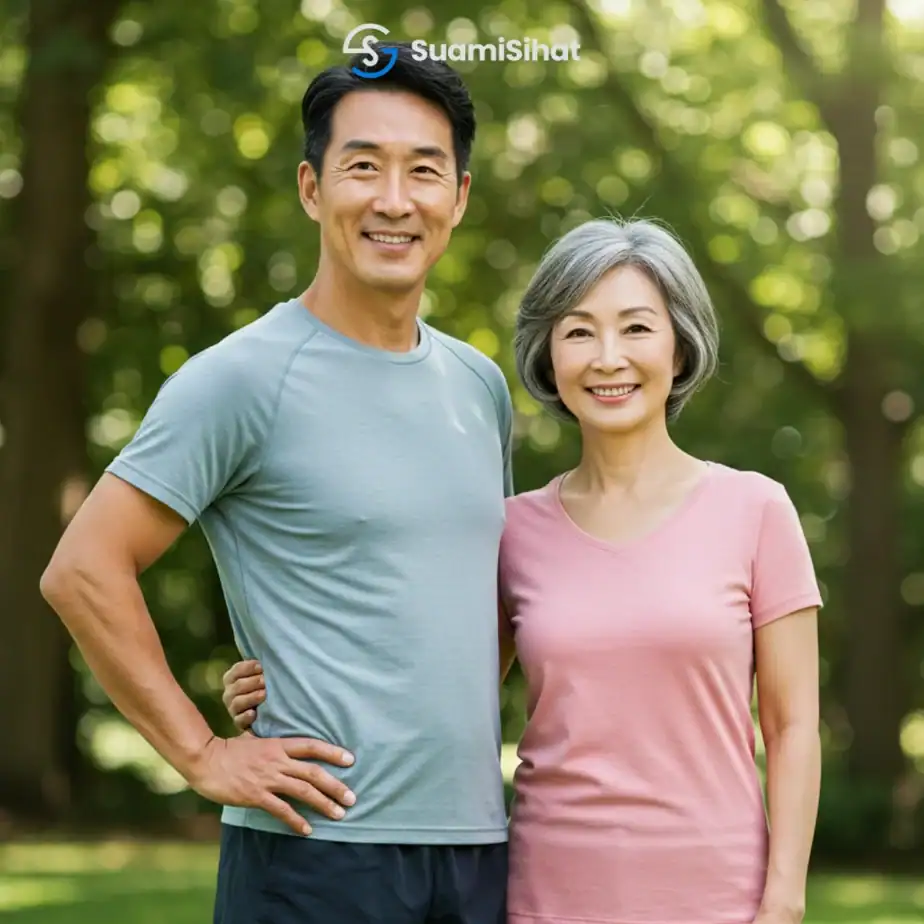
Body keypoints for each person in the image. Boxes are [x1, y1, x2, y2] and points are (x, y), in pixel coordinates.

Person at [226, 218, 823, 924]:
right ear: (547, 354)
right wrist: (290, 677)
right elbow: (436, 686)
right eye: (578, 331)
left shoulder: (755, 510)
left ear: (680, 343)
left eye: (636, 328)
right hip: (548, 893)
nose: (608, 359)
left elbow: (792, 728)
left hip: (719, 893)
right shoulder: (510, 530)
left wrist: (783, 897)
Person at [40, 44, 512, 924]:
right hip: (315, 853)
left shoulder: (478, 386)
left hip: (478, 847)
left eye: (424, 171)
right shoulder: (242, 379)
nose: (394, 200)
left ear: (459, 197)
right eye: (362, 167)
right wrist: (202, 752)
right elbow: (82, 571)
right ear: (310, 188)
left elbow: (467, 601)